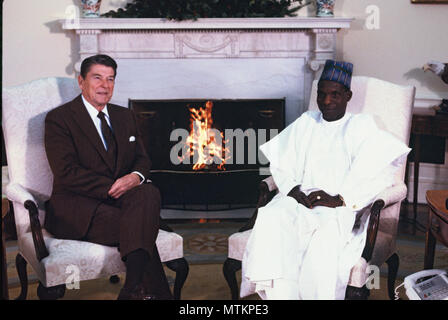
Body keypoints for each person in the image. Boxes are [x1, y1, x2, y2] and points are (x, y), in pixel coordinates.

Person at [240, 60, 411, 300]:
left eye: (335, 95)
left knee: (323, 243)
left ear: (348, 96)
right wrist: (292, 190)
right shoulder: (307, 122)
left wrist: (339, 199)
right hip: (300, 201)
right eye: (321, 94)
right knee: (273, 218)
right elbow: (281, 164)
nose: (326, 101)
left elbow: (379, 175)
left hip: (336, 209)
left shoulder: (361, 126)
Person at [44, 54, 172, 300]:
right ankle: (144, 290)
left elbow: (142, 159)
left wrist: (134, 177)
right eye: (97, 78)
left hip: (123, 204)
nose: (105, 85)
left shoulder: (125, 116)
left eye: (110, 79)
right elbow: (66, 172)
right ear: (81, 82)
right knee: (142, 227)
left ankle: (131, 288)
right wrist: (115, 187)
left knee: (148, 190)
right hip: (77, 209)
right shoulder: (59, 119)